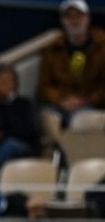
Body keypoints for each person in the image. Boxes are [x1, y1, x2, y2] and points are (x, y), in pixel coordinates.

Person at [38, 0, 105, 131]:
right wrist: (62, 100)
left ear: (87, 18)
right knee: (47, 116)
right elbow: (44, 86)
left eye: (78, 16)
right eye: (69, 16)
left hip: (93, 103)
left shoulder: (102, 48)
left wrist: (87, 100)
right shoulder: (52, 49)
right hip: (62, 103)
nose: (74, 20)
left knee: (80, 120)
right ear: (63, 21)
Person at [0, 63, 40, 168]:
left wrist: (1, 135)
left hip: (22, 145)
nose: (6, 85)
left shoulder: (23, 104)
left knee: (9, 146)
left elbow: (26, 131)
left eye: (9, 81)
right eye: (1, 82)